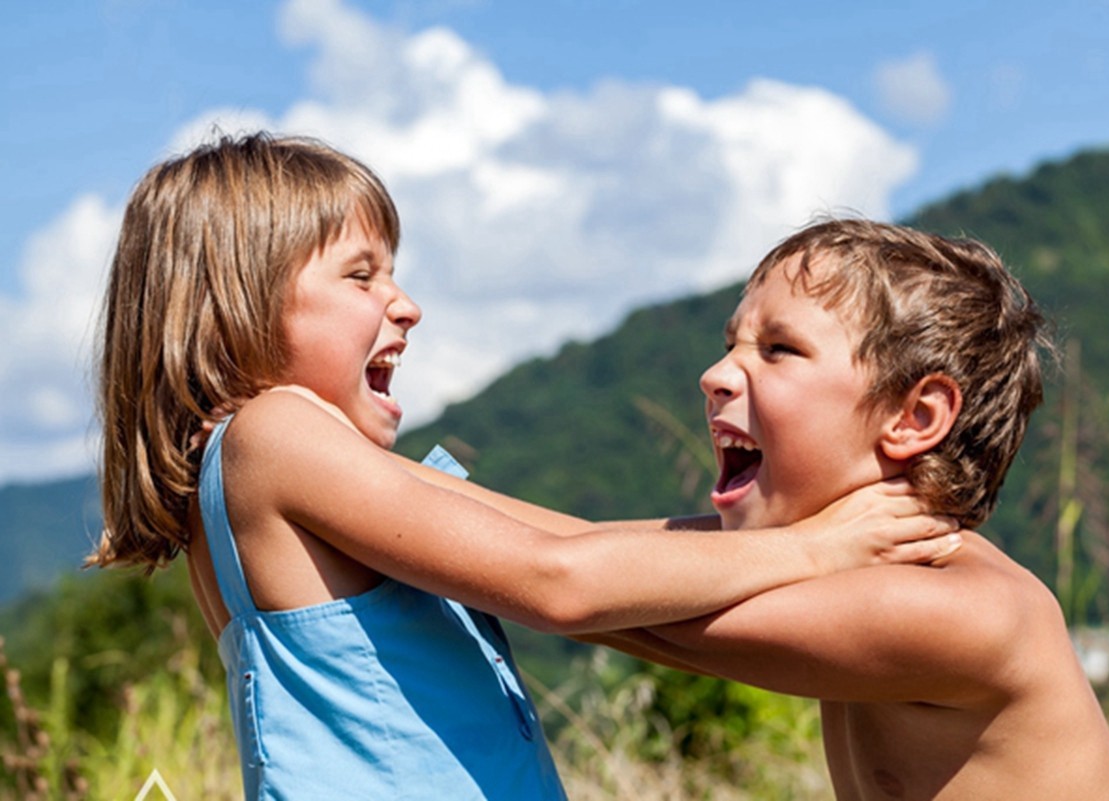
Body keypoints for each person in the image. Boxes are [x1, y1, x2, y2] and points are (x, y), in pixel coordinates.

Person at [88, 134, 961, 800]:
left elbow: (573, 542)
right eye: (362, 276)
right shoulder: (275, 435)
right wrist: (818, 548)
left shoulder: (278, 463)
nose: (405, 304)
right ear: (242, 296)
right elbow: (557, 580)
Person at [589, 219, 1109, 799]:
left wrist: (809, 547)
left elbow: (569, 584)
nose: (713, 376)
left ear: (913, 418)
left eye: (779, 350)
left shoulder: (958, 611)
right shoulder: (843, 558)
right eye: (730, 347)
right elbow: (584, 558)